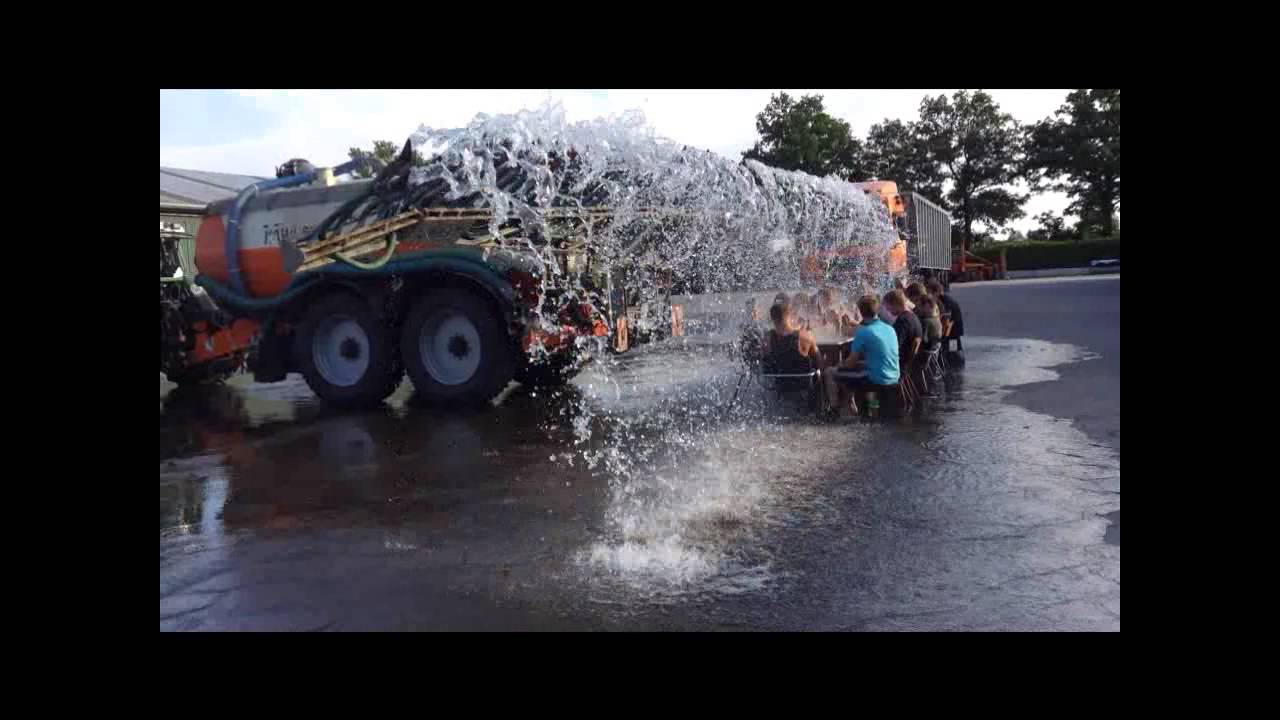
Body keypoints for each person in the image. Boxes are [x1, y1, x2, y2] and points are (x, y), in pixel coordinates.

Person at [828, 294, 900, 417]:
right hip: (894, 375)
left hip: (876, 378)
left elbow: (850, 363)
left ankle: (834, 410)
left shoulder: (863, 332)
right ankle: (858, 405)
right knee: (855, 371)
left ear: (861, 312)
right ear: (877, 310)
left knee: (830, 372)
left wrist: (841, 365)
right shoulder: (889, 328)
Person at [927, 278, 965, 365]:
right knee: (954, 348)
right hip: (954, 331)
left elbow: (947, 319)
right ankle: (955, 361)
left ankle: (954, 363)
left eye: (929, 292)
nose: (929, 295)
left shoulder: (945, 301)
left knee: (953, 349)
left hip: (952, 332)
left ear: (935, 292)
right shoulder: (946, 299)